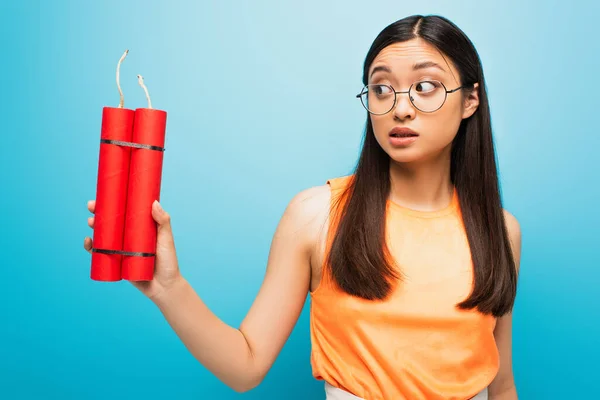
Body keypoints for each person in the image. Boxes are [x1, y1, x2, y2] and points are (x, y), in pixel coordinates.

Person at [83, 14, 521, 400]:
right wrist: (168, 286)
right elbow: (246, 365)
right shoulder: (317, 215)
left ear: (470, 100)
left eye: (425, 87)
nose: (399, 108)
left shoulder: (499, 231)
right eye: (382, 88)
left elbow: (500, 387)